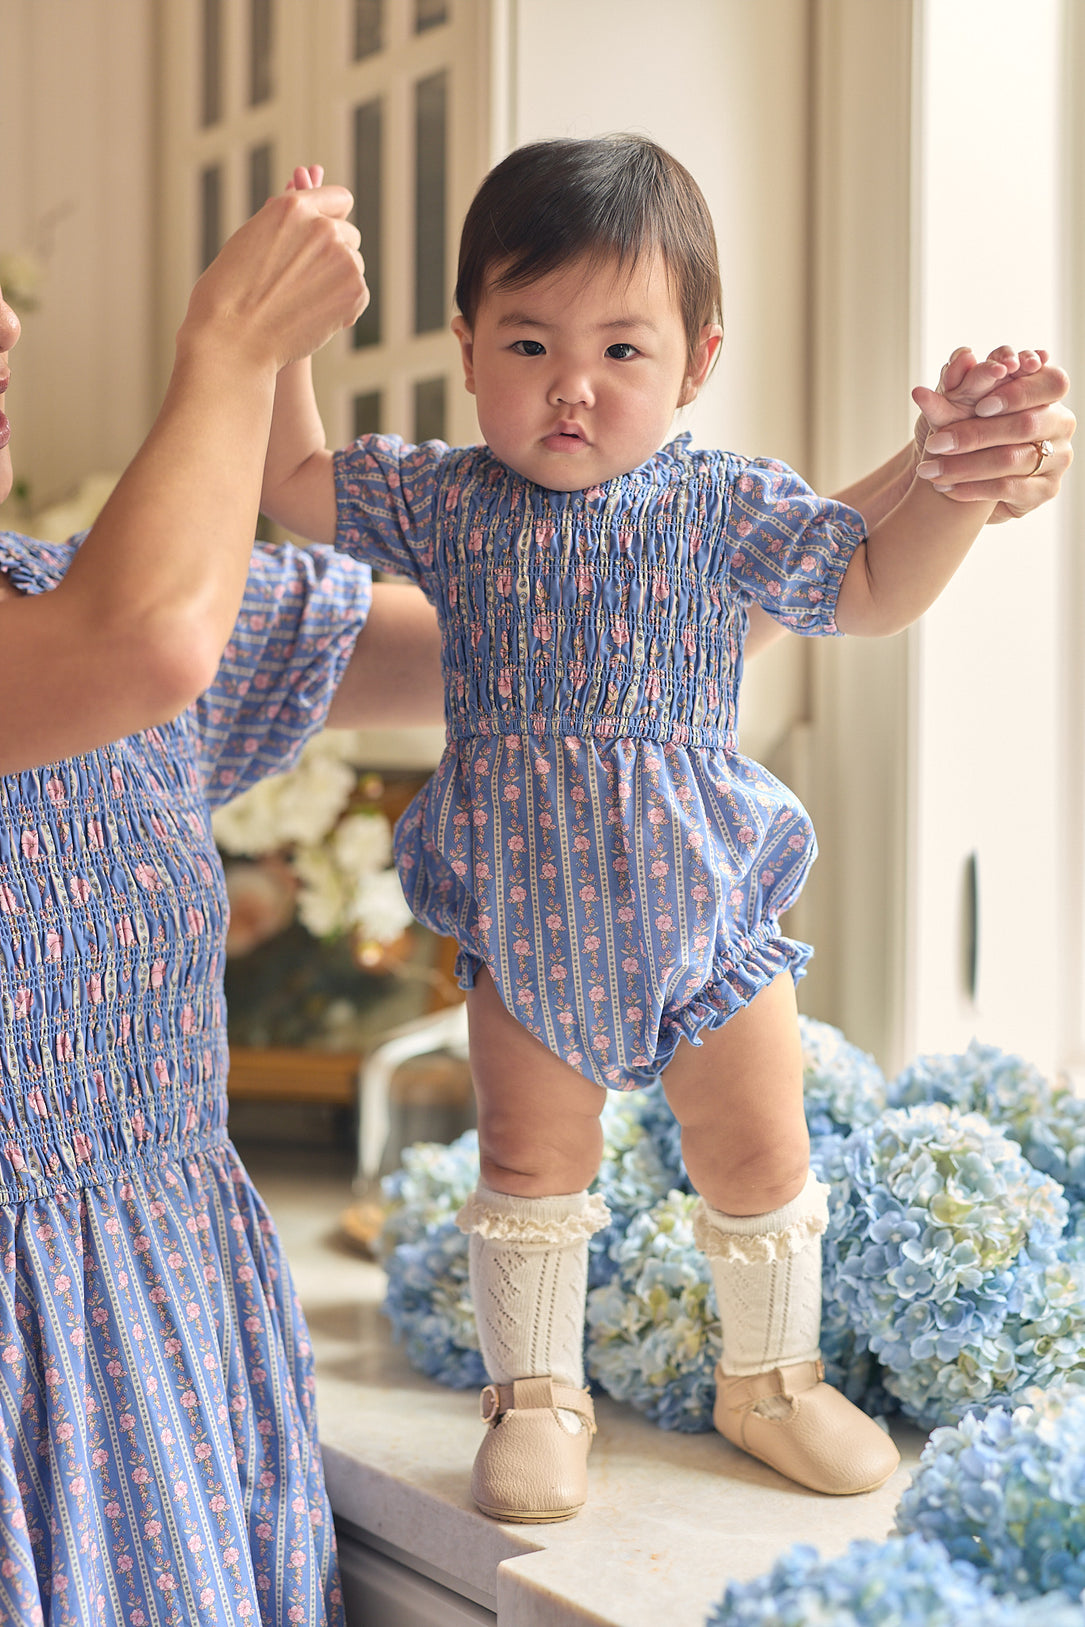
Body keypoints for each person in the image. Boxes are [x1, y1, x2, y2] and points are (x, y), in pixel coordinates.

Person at [261, 135, 1073, 1525]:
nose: (570, 385)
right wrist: (283, 340)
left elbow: (871, 590)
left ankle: (772, 1382)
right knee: (527, 1163)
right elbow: (291, 485)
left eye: (621, 350)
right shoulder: (448, 501)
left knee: (761, 1155)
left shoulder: (724, 503)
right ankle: (535, 1396)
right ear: (467, 348)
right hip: (530, 917)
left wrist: (951, 480)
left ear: (697, 362)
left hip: (709, 914)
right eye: (528, 343)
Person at [0, 190, 449, 1624]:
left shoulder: (50, 590)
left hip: (167, 1385)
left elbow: (561, 649)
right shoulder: (97, 626)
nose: (4, 326)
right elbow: (142, 642)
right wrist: (233, 348)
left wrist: (901, 505)